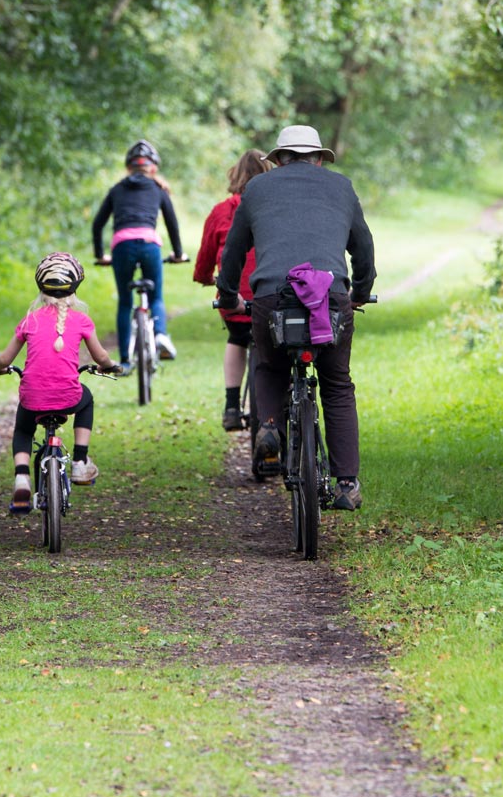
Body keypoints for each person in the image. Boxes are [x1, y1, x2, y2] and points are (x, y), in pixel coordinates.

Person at [215, 125, 376, 511]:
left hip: (272, 296)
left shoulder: (255, 190)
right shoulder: (341, 187)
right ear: (319, 157)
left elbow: (234, 252)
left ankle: (269, 425)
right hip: (331, 298)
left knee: (269, 367)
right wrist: (358, 292)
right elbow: (364, 247)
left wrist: (228, 296)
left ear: (279, 159)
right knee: (336, 383)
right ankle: (346, 483)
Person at [0, 252, 121, 514]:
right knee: (86, 400)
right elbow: (100, 356)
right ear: (74, 288)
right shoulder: (81, 320)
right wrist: (110, 366)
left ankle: (22, 477)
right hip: (69, 396)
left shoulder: (29, 320)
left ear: (41, 288)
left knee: (23, 429)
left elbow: (4, 358)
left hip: (33, 396)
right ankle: (79, 460)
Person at [92, 140, 188, 372]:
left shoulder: (117, 189)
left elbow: (97, 225)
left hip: (122, 246)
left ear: (128, 168)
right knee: (155, 297)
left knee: (125, 302)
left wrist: (101, 255)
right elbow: (172, 224)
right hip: (149, 245)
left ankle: (124, 361)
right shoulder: (158, 189)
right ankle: (161, 336)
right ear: (153, 168)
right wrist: (177, 253)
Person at [193, 149, 271, 430]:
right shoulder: (274, 207)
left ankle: (231, 406)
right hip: (271, 296)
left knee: (237, 340)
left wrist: (204, 277)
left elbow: (205, 255)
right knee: (276, 346)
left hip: (234, 297)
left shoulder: (222, 210)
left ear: (235, 176)